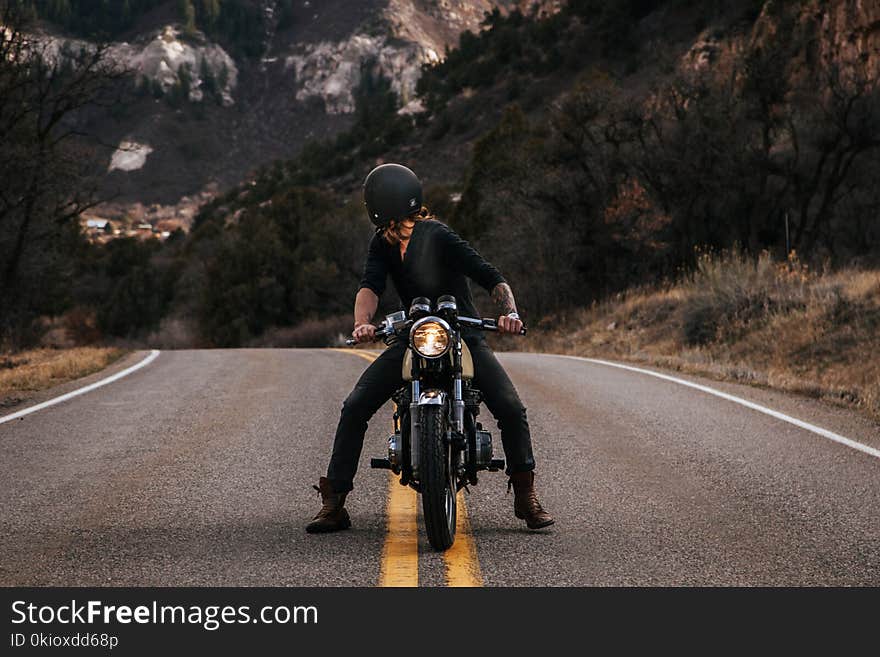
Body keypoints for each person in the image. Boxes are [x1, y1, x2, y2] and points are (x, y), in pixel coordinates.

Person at [307, 163, 554, 533]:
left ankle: (525, 495)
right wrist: (362, 323)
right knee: (356, 405)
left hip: (462, 334)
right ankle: (335, 501)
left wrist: (510, 313)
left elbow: (490, 276)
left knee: (511, 408)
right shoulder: (383, 244)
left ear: (377, 204)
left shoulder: (437, 234)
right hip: (415, 334)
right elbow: (369, 287)